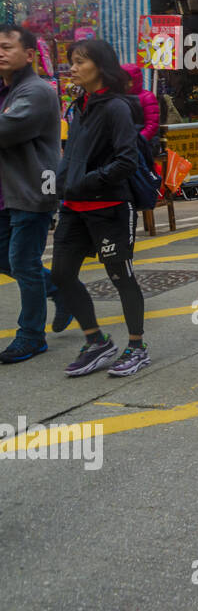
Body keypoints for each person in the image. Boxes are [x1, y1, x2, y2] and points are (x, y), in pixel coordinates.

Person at [51, 38, 151, 377]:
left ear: (101, 66)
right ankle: (97, 341)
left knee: (120, 276)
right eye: (72, 61)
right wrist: (63, 185)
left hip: (109, 207)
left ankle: (137, 346)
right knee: (62, 274)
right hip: (73, 207)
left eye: (80, 61)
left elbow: (127, 160)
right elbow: (72, 153)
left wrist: (88, 181)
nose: (73, 68)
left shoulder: (116, 107)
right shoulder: (79, 106)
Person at [0, 24, 66, 363]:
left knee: (24, 263)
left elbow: (5, 131)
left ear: (28, 55)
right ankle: (60, 292)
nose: (0, 52)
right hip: (7, 194)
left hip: (33, 189)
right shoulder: (7, 91)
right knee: (7, 260)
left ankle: (31, 336)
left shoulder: (37, 91)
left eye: (7, 47)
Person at [126, 64, 161, 150]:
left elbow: (152, 125)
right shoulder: (120, 96)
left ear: (133, 80)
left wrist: (137, 141)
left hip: (146, 144)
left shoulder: (148, 97)